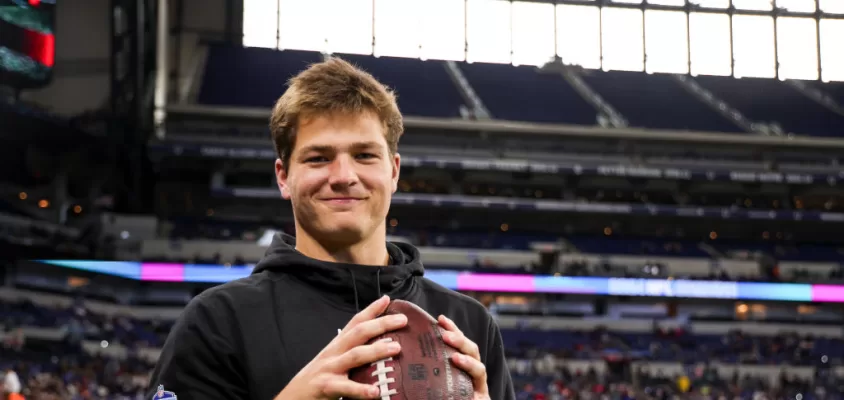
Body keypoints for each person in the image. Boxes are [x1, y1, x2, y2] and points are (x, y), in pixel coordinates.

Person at [147, 57, 515, 400]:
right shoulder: (217, 323)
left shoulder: (468, 325)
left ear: (394, 171)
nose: (343, 177)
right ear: (284, 176)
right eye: (319, 158)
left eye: (364, 155)